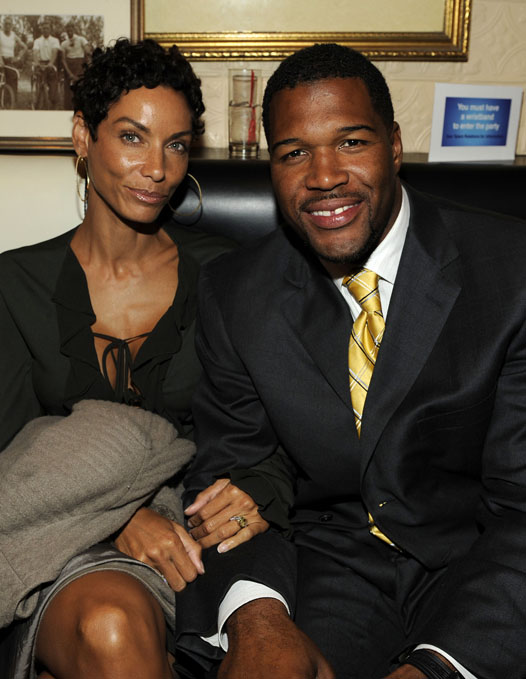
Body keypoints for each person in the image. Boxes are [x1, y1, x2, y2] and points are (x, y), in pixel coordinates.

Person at [179, 43, 526, 679]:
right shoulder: (235, 292)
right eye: (294, 153)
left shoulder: (510, 272)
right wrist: (257, 620)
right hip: (327, 569)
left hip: (481, 567)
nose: (324, 175)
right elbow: (232, 474)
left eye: (351, 142)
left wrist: (441, 668)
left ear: (393, 145)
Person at [0, 38, 267, 679]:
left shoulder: (224, 272)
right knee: (110, 624)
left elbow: (259, 425)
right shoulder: (16, 281)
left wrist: (254, 494)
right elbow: (18, 456)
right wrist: (122, 517)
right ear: (83, 136)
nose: (158, 169)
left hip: (198, 531)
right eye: (133, 138)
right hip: (65, 530)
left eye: (175, 143)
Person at [0, 16, 27, 103]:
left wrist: (18, 57)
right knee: (0, 80)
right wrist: (0, 59)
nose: (7, 26)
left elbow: (25, 47)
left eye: (9, 24)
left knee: (13, 79)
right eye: (6, 24)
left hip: (10, 60)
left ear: (11, 25)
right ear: (3, 24)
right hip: (0, 58)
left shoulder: (13, 35)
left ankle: (11, 102)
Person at [60, 23, 89, 109]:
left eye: (71, 29)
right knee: (68, 87)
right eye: (68, 30)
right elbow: (63, 59)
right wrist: (69, 72)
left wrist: (85, 64)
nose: (69, 31)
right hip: (68, 65)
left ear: (74, 29)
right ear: (66, 31)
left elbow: (87, 51)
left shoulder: (81, 39)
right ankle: (68, 107)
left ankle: (81, 106)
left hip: (79, 64)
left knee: (80, 85)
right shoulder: (64, 43)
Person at [32, 21, 60, 108]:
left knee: (53, 87)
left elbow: (55, 52)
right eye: (44, 28)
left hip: (50, 64)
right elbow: (35, 52)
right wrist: (36, 62)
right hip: (41, 64)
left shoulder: (55, 40)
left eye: (47, 28)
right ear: (42, 30)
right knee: (37, 82)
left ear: (50, 29)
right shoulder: (38, 41)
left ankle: (53, 103)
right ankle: (36, 101)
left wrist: (51, 63)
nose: (45, 30)